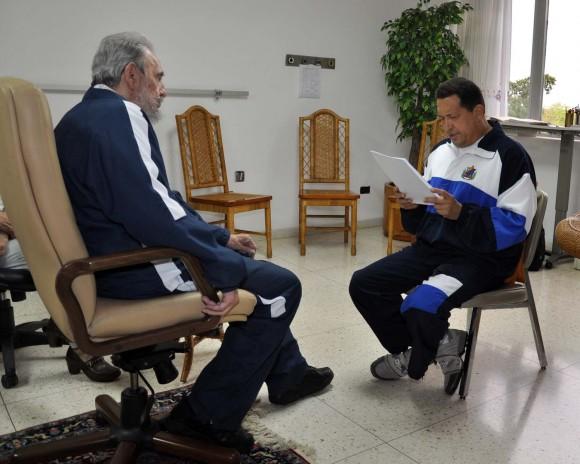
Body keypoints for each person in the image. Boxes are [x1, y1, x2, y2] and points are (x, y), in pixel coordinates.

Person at [54, 32, 333, 453]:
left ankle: (289, 373)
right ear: (131, 75)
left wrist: (220, 237)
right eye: (158, 77)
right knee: (281, 286)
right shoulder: (120, 116)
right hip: (138, 267)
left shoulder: (77, 119)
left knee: (256, 276)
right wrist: (216, 269)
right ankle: (206, 417)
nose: (162, 89)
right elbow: (151, 216)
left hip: (108, 263)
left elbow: (159, 202)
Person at [350, 77, 537, 388]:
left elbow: (516, 226)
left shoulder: (510, 157)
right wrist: (413, 208)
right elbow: (426, 219)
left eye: (453, 117)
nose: (446, 126)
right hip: (433, 249)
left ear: (478, 112)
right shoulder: (439, 152)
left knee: (420, 305)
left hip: (481, 258)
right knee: (364, 284)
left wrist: (462, 214)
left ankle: (419, 354)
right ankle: (436, 344)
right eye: (441, 118)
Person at [0, 196, 121, 382]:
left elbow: (16, 213)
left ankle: (82, 327)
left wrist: (8, 227)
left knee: (80, 238)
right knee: (61, 257)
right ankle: (82, 347)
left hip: (14, 238)